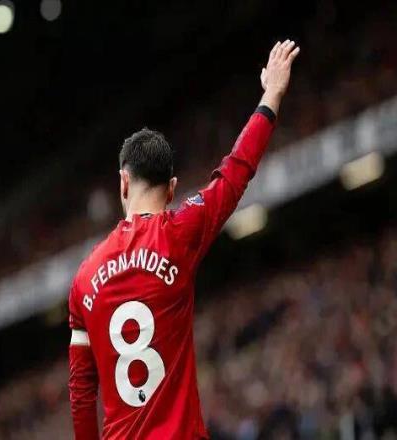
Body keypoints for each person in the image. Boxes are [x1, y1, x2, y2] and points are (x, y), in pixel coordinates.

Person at [68, 40, 300, 439]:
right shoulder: (179, 234)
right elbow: (235, 171)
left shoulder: (83, 280)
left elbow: (81, 392)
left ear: (123, 182)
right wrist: (271, 96)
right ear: (172, 188)